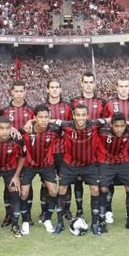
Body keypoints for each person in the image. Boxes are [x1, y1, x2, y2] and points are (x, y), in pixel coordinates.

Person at [52, 104, 106, 235]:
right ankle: (59, 223)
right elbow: (50, 120)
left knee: (95, 189)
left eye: (83, 115)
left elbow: (110, 120)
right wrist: (31, 121)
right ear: (73, 116)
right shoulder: (66, 125)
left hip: (90, 165)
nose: (80, 117)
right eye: (78, 115)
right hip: (70, 164)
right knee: (62, 189)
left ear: (87, 116)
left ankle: (94, 223)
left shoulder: (94, 124)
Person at [102, 77, 129, 224]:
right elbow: (104, 122)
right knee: (109, 183)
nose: (124, 89)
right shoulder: (109, 103)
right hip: (112, 149)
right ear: (116, 88)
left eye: (126, 86)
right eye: (121, 86)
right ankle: (108, 211)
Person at [19, 104, 60, 235]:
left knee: (53, 191)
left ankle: (47, 218)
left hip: (47, 165)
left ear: (50, 118)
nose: (43, 120)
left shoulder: (55, 129)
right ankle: (25, 221)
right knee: (24, 193)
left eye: (46, 117)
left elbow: (70, 124)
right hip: (29, 165)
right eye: (40, 117)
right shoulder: (25, 130)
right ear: (35, 117)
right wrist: (29, 123)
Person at [0, 81, 34, 226]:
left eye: (21, 91)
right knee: (9, 185)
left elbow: (38, 123)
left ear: (25, 92)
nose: (19, 94)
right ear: (11, 92)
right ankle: (8, 214)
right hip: (9, 154)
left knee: (27, 184)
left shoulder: (31, 110)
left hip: (28, 153)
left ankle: (27, 214)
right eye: (16, 91)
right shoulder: (4, 111)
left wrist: (31, 122)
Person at [70, 72, 105, 219]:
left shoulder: (103, 102)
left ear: (95, 84)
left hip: (96, 149)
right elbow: (69, 124)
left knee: (99, 182)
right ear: (81, 83)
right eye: (86, 82)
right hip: (77, 148)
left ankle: (104, 211)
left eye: (91, 82)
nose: (89, 84)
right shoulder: (73, 101)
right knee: (77, 180)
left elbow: (106, 122)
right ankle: (79, 209)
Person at [97, 112, 129, 233]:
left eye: (122, 126)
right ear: (111, 125)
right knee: (103, 189)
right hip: (105, 162)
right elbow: (93, 122)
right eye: (116, 126)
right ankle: (102, 221)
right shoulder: (102, 131)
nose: (119, 129)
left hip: (123, 162)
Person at [44, 79, 73, 221]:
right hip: (47, 151)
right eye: (52, 87)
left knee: (65, 182)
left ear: (61, 90)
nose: (54, 90)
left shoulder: (68, 107)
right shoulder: (42, 107)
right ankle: (45, 211)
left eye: (57, 87)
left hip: (64, 151)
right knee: (46, 183)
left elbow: (72, 125)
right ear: (47, 90)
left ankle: (66, 209)